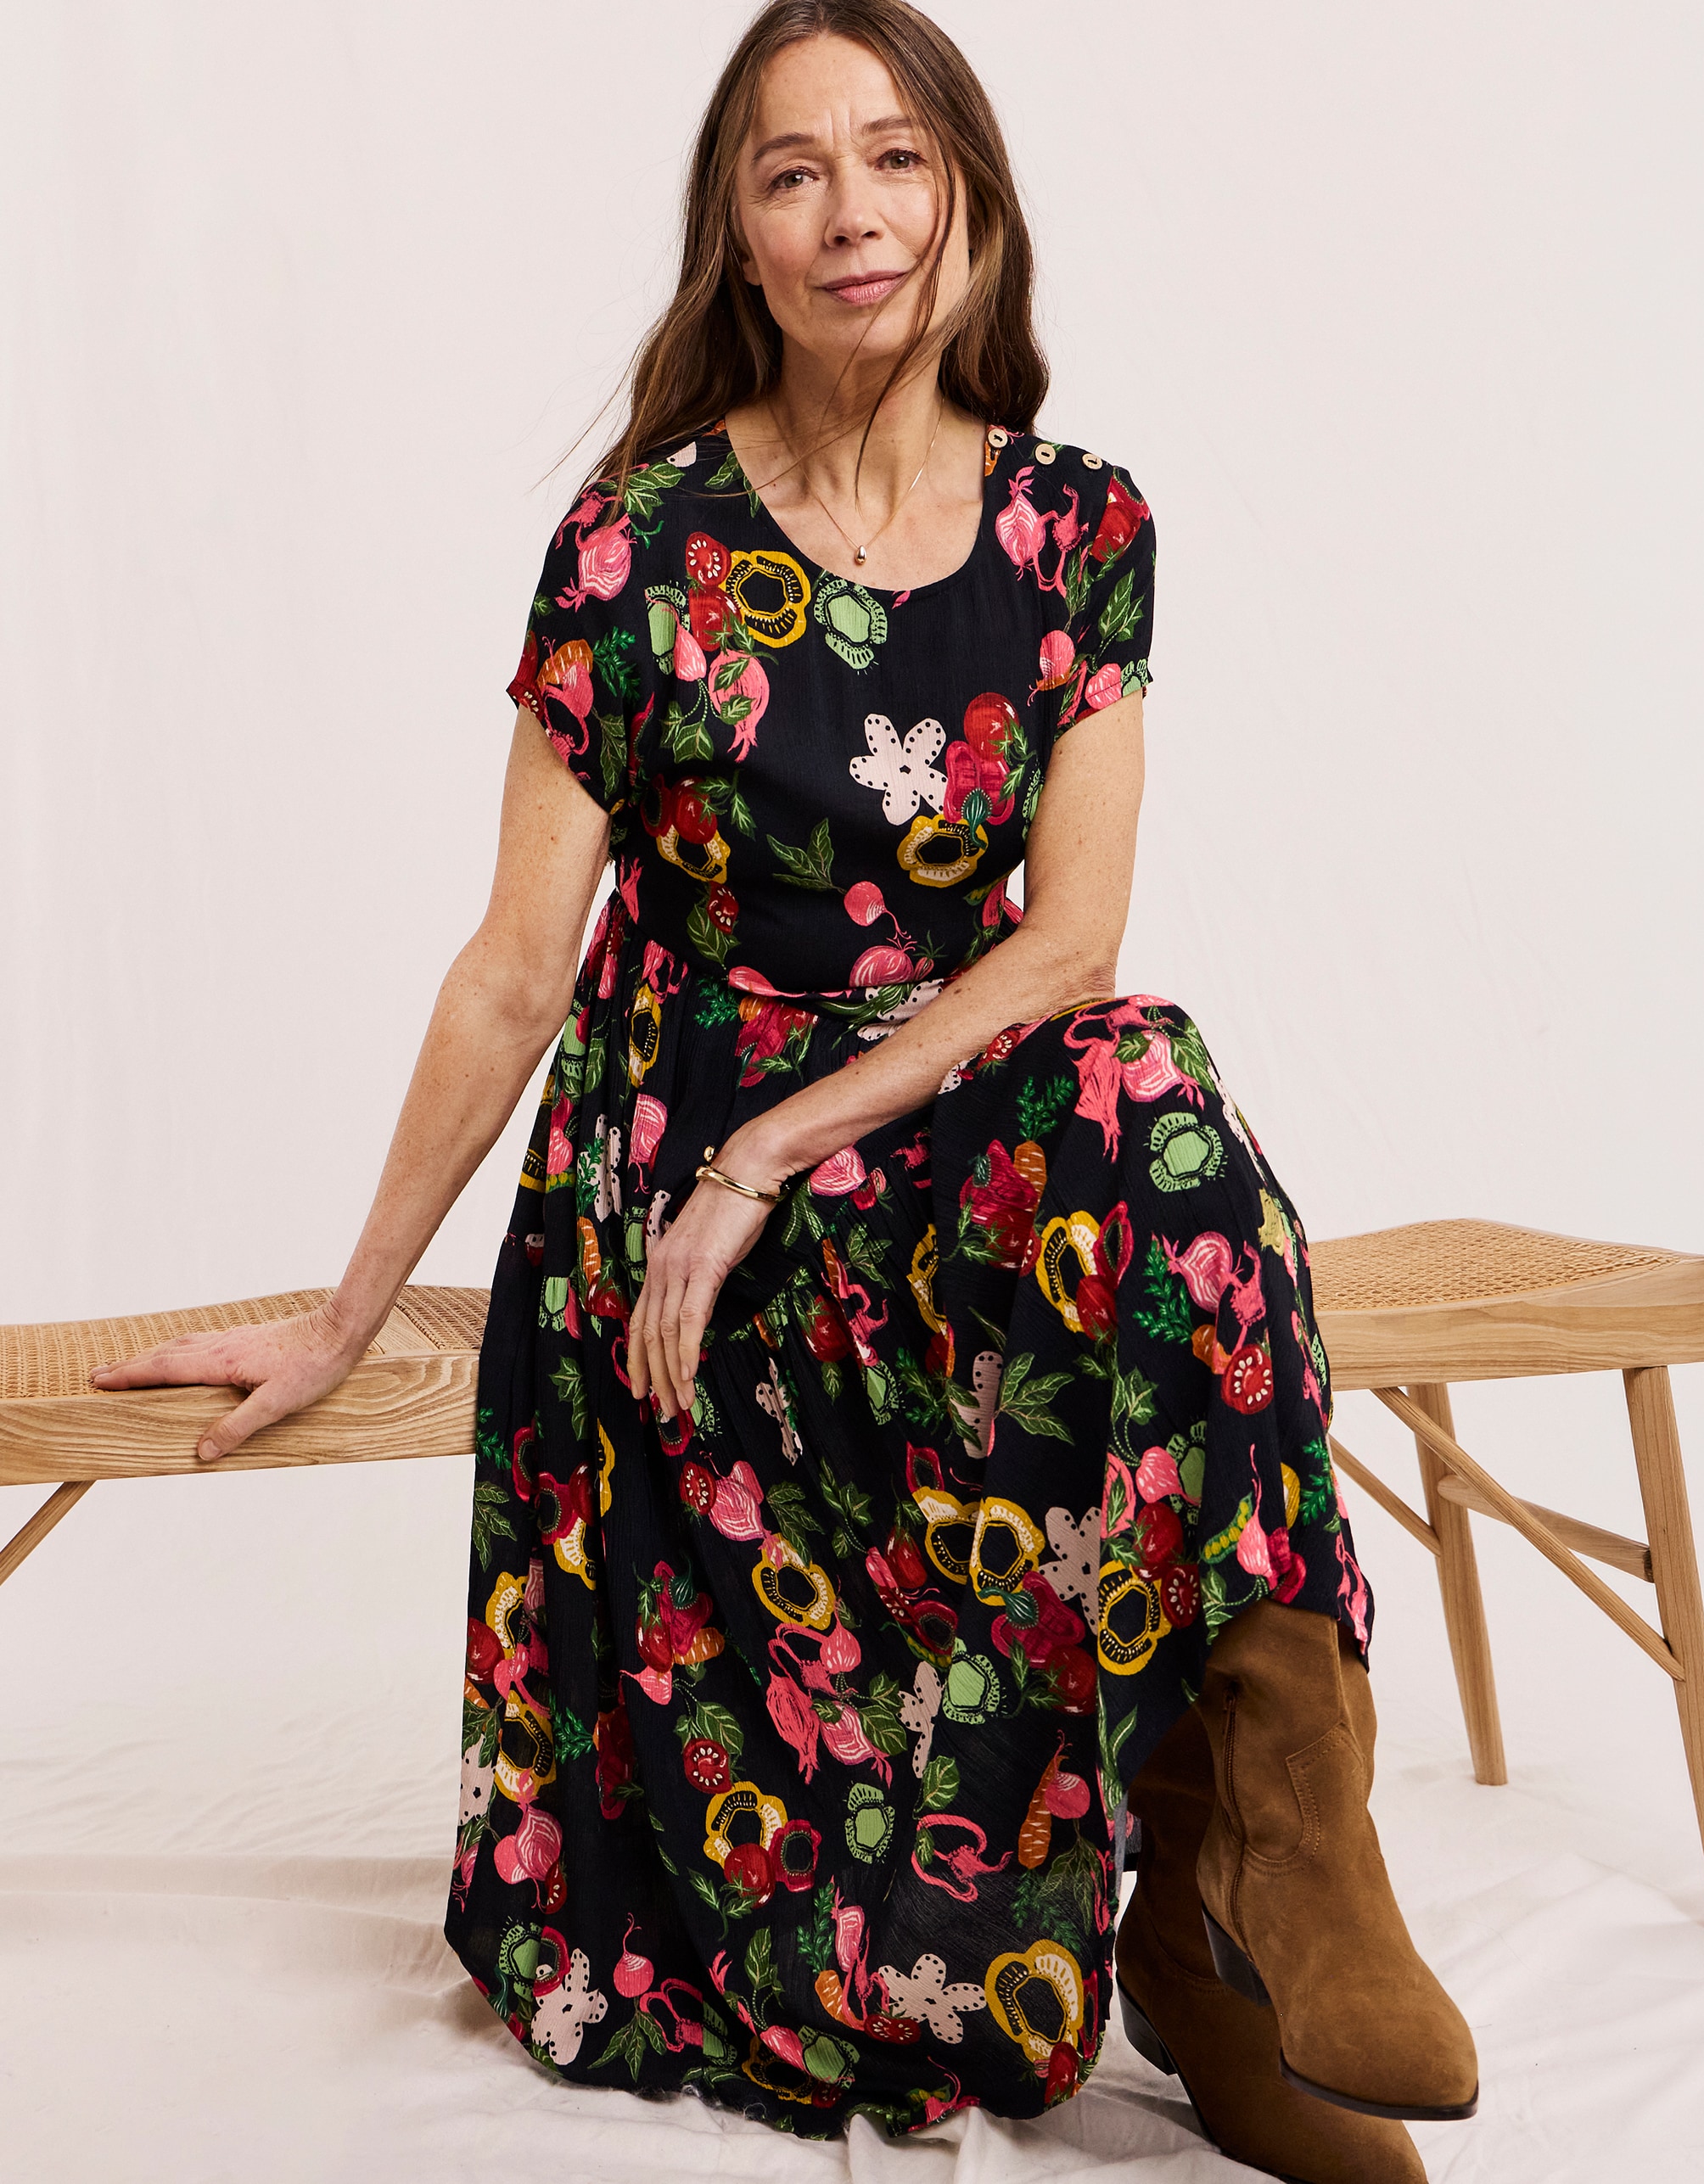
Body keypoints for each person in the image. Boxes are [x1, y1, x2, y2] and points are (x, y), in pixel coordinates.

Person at [92, 4, 1477, 2175]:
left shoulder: (1077, 525)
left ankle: (1276, 1859)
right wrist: (354, 1304)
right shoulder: (636, 543)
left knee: (1148, 1093)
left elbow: (1070, 939)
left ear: (971, 205)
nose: (854, 214)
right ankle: (1207, 1932)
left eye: (899, 159)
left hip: (905, 1130)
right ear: (735, 238)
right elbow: (509, 967)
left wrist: (790, 1139)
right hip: (686, 1199)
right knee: (869, 1933)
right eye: (793, 171)